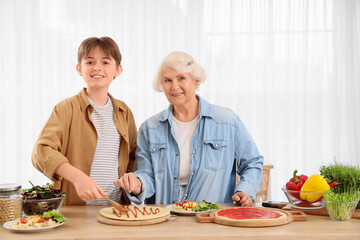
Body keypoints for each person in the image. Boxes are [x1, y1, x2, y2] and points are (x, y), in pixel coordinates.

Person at [115, 51, 263, 206]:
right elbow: (147, 175)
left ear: (196, 81)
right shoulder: (149, 129)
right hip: (166, 220)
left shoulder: (226, 121)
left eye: (181, 78)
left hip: (211, 219)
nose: (174, 86)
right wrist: (138, 184)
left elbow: (252, 162)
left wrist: (244, 190)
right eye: (167, 80)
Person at [32, 37, 137, 206]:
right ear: (79, 69)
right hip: (75, 210)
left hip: (116, 208)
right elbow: (41, 151)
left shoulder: (124, 111)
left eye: (105, 62)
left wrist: (132, 178)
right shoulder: (66, 108)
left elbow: (133, 155)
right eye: (89, 62)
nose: (97, 67)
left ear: (118, 70)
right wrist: (77, 177)